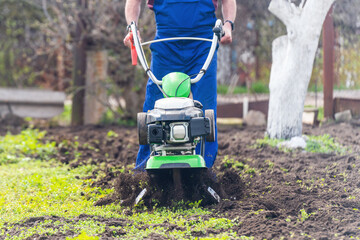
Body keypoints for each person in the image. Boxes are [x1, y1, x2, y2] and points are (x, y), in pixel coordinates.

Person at [124, 0, 236, 171]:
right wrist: (132, 28)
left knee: (205, 110)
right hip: (166, 43)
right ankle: (145, 171)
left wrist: (228, 25)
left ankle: (203, 171)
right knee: (153, 107)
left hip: (203, 43)